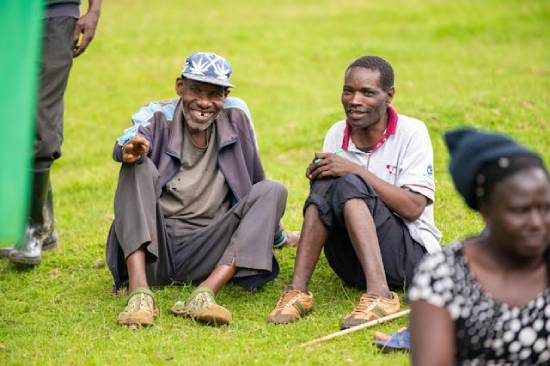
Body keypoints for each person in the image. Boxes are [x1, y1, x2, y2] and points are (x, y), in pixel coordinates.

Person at [105, 52, 288, 327]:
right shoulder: (157, 115)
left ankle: (204, 294)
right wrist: (129, 150)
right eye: (196, 90)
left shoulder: (237, 115)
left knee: (273, 189)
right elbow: (128, 140)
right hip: (156, 248)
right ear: (180, 87)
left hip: (210, 250)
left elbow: (254, 178)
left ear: (225, 96)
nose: (204, 102)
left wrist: (279, 236)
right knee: (137, 166)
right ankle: (139, 293)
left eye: (214, 94)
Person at [267, 55, 441, 329]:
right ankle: (297, 291)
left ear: (389, 96)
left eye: (367, 93)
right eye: (348, 90)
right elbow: (328, 202)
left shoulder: (412, 132)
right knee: (328, 181)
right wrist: (320, 181)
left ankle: (380, 296)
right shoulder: (337, 132)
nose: (354, 100)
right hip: (351, 263)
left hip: (408, 258)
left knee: (347, 180)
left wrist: (354, 171)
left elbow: (413, 207)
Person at [409, 128, 550, 365]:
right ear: (485, 210)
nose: (537, 223)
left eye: (546, 208)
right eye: (520, 210)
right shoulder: (444, 274)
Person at [5, 0, 102, 264]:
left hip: (54, 14)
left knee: (40, 117)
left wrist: (94, 10)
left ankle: (32, 229)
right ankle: (44, 228)